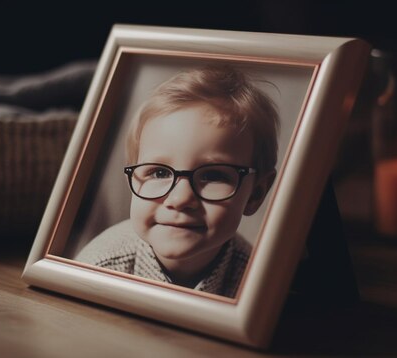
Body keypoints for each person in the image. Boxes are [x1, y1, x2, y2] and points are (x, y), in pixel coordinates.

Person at [75, 65, 279, 298]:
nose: (181, 199)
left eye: (212, 175)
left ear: (256, 194)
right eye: (159, 173)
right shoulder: (99, 267)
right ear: (133, 180)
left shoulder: (256, 286)